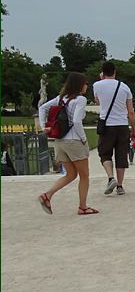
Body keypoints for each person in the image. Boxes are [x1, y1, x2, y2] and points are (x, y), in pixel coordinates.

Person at [37, 72, 98, 215]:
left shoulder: (61, 98)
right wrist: (84, 138)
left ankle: (48, 195)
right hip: (74, 141)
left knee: (70, 174)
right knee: (84, 176)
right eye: (85, 83)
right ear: (79, 85)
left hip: (60, 141)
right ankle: (82, 207)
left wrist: (43, 126)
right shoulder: (80, 100)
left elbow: (42, 108)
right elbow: (77, 121)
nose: (86, 86)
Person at [93, 61, 135, 196]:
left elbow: (98, 101)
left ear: (102, 72)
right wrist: (133, 129)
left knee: (105, 153)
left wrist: (101, 80)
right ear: (115, 71)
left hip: (107, 125)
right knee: (121, 155)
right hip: (122, 125)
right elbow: (131, 111)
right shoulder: (124, 87)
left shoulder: (97, 85)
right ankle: (120, 186)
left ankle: (111, 178)